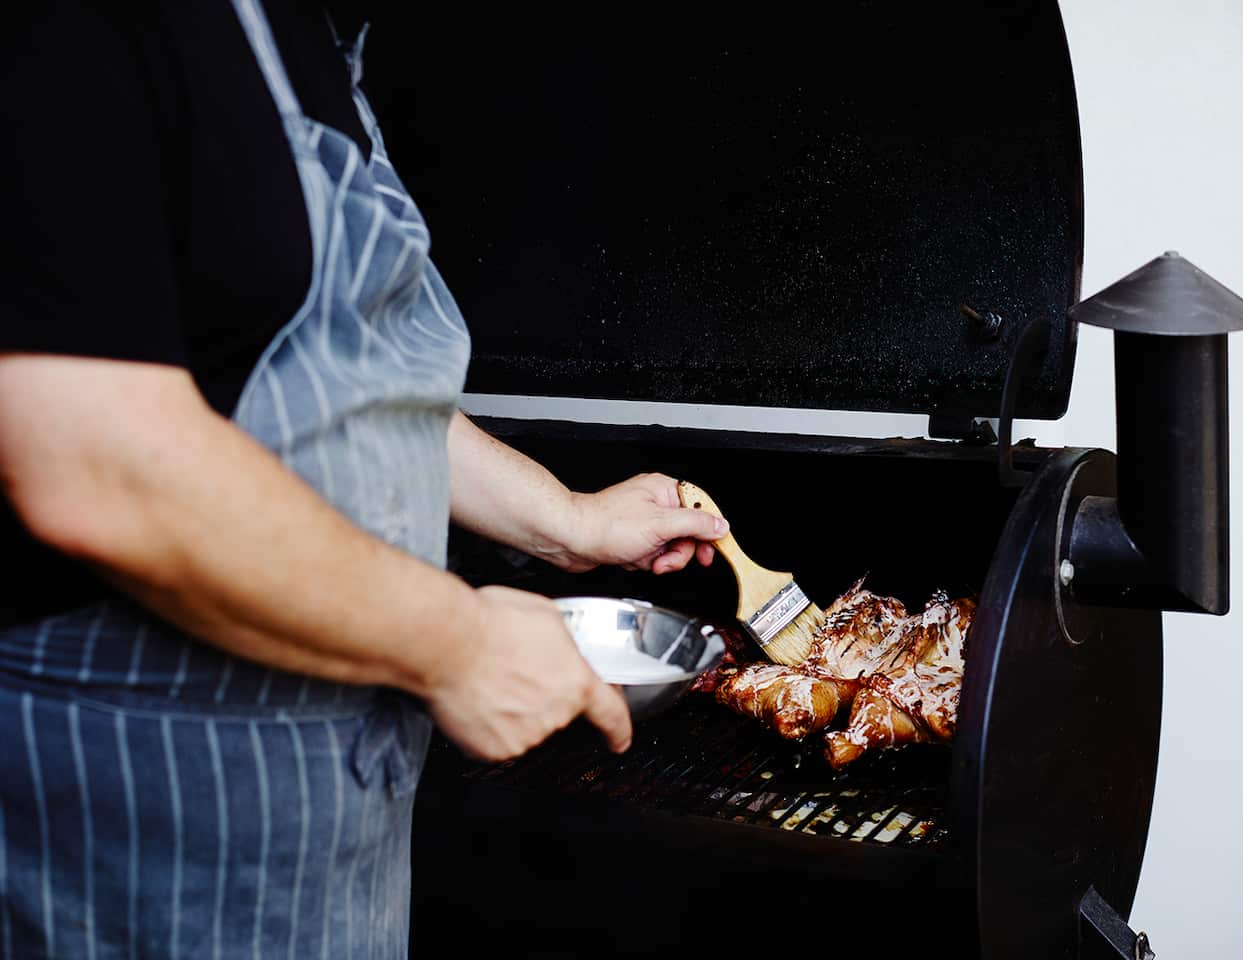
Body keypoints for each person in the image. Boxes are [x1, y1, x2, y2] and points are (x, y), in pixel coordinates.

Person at [0, 3, 726, 958]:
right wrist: (456, 644)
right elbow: (93, 458)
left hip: (336, 807)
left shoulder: (304, 41)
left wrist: (566, 520)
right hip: (145, 801)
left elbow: (336, 394)